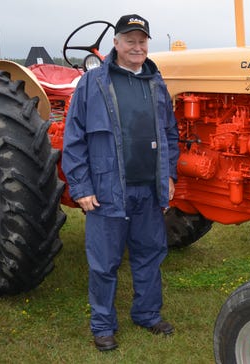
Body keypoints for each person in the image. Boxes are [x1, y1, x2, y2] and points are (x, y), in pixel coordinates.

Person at [61, 13, 180, 352]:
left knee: (150, 254)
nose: (137, 46)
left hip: (147, 189)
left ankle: (146, 314)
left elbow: (170, 133)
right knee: (104, 262)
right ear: (116, 43)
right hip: (107, 191)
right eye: (130, 40)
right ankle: (102, 325)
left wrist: (169, 173)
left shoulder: (156, 84)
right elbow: (74, 139)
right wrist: (81, 188)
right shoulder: (92, 83)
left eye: (142, 41)